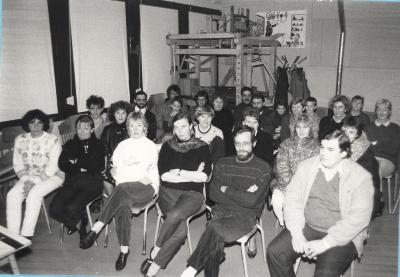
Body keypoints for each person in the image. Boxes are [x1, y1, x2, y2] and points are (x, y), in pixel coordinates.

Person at [267, 129, 374, 277]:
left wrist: (325, 243)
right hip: (308, 225)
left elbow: (359, 218)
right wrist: (297, 233)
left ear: (343, 154)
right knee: (275, 252)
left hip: (342, 234)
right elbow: (292, 199)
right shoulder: (307, 166)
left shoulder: (360, 177)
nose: (323, 153)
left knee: (325, 273)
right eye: (322, 147)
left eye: (330, 149)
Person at [180, 125, 272, 277]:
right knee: (214, 237)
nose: (241, 148)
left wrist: (226, 189)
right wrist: (242, 194)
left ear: (254, 144)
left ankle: (192, 268)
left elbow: (252, 201)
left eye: (246, 143)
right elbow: (214, 194)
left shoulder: (263, 168)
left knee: (213, 228)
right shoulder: (223, 163)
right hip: (221, 213)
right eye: (237, 143)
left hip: (245, 217)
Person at [79, 112, 159, 271]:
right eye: (131, 125)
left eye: (139, 125)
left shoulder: (150, 146)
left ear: (145, 127)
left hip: (147, 188)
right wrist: (125, 174)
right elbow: (114, 170)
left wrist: (124, 173)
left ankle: (97, 227)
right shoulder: (122, 146)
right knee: (122, 206)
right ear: (128, 128)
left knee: (121, 188)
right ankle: (124, 250)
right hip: (124, 190)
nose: (135, 129)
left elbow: (139, 174)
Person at [141, 112, 212, 277]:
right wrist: (191, 174)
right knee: (180, 232)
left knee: (175, 215)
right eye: (176, 127)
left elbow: (204, 177)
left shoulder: (202, 146)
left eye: (184, 126)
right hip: (168, 193)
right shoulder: (167, 146)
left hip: (194, 195)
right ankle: (158, 261)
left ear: (191, 127)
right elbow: (164, 176)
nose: (180, 131)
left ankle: (156, 252)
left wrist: (178, 171)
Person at [7, 109, 64, 239]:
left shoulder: (53, 140)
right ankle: (13, 237)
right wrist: (27, 180)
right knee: (12, 195)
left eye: (39, 123)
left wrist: (33, 183)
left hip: (53, 176)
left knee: (33, 194)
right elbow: (18, 164)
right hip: (27, 178)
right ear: (27, 124)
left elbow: (52, 168)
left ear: (44, 124)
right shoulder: (20, 139)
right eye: (32, 122)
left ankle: (26, 236)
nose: (36, 126)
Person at [49, 115, 105, 239]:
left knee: (72, 208)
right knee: (54, 209)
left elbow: (96, 165)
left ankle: (80, 230)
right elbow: (62, 164)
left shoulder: (98, 144)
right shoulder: (69, 144)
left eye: (86, 128)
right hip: (72, 182)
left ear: (92, 129)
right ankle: (80, 223)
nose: (81, 131)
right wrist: (81, 166)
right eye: (79, 128)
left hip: (92, 182)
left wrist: (75, 163)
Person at [271, 114, 320, 226]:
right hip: (286, 185)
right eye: (298, 127)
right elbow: (281, 168)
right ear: (294, 128)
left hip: (307, 187)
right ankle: (284, 223)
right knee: (277, 198)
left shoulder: (317, 147)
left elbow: (315, 171)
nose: (301, 131)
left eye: (305, 127)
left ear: (310, 128)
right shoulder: (286, 144)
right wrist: (289, 186)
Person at [342, 116, 381, 218]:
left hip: (365, 195)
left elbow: (368, 188)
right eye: (344, 131)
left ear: (357, 135)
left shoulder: (365, 155)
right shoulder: (340, 144)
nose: (346, 135)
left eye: (351, 132)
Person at [365, 99, 400, 211]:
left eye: (385, 110)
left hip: (388, 162)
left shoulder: (395, 128)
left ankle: (377, 201)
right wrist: (381, 145)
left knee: (377, 166)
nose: (381, 112)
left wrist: (374, 144)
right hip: (370, 159)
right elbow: (364, 146)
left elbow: (393, 149)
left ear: (389, 112)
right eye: (379, 109)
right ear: (375, 111)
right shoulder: (368, 127)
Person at [100, 100, 132, 194]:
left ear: (127, 114)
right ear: (113, 114)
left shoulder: (131, 128)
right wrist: (106, 165)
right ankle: (113, 203)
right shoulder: (107, 129)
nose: (120, 116)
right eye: (117, 113)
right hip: (111, 163)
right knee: (106, 178)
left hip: (128, 162)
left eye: (123, 113)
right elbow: (103, 149)